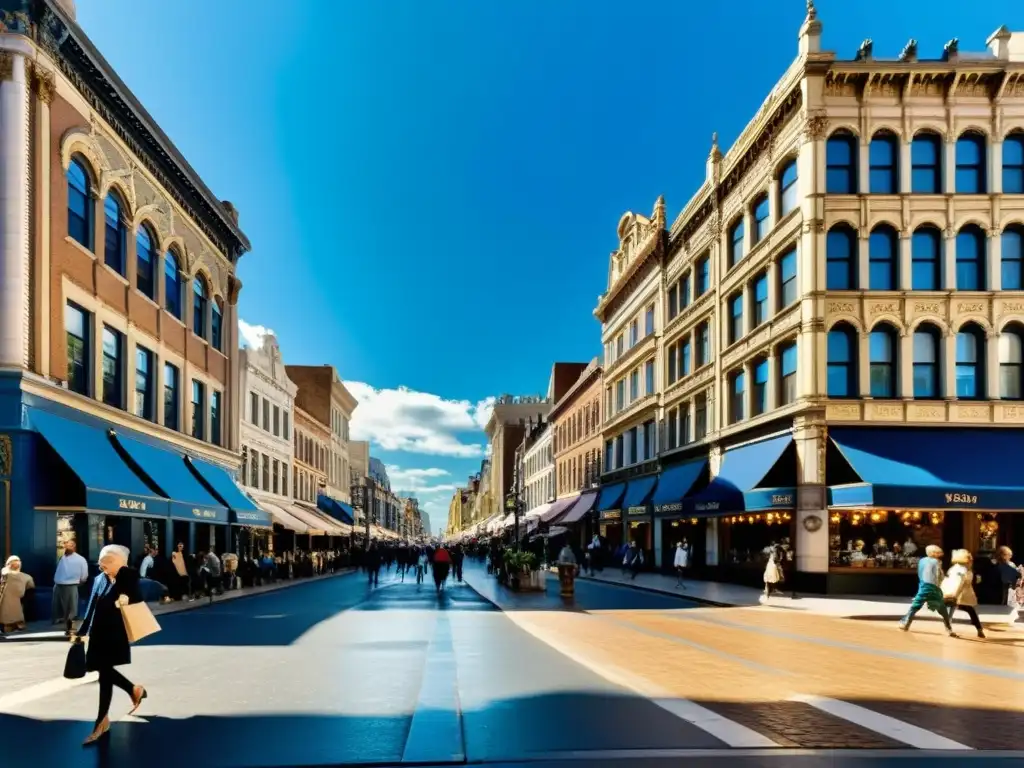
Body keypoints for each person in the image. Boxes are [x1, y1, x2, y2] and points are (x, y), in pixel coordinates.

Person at [73, 545, 147, 746]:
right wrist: (82, 631)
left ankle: (101, 721)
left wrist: (122, 581)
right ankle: (133, 690)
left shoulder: (127, 576)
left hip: (115, 634)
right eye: (101, 561)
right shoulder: (98, 579)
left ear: (119, 563)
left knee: (104, 673)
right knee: (103, 671)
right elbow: (91, 607)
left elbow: (138, 598)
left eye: (107, 561)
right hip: (98, 633)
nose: (102, 565)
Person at [899, 544, 957, 637]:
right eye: (938, 552)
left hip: (923, 585)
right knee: (942, 609)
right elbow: (938, 575)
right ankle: (949, 629)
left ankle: (906, 623)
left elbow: (920, 572)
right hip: (933, 587)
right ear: (935, 553)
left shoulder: (922, 560)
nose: (939, 554)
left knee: (915, 606)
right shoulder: (936, 562)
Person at [941, 549, 985, 639]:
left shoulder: (958, 568)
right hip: (956, 595)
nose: (971, 560)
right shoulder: (961, 570)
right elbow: (958, 583)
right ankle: (979, 629)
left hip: (958, 594)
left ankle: (978, 629)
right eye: (969, 558)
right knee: (955, 612)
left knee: (952, 612)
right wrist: (954, 595)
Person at [52, 540, 89, 635]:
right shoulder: (62, 558)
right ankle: (63, 624)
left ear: (74, 547)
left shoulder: (80, 559)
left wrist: (81, 581)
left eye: (70, 546)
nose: (68, 548)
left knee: (71, 608)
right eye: (66, 546)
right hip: (58, 585)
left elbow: (84, 574)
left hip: (71, 585)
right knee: (59, 607)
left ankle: (71, 628)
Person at [1, 556, 34, 632]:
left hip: (15, 601)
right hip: (11, 602)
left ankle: (15, 626)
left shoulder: (26, 577)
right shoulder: (26, 577)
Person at [995, 546, 1024, 627]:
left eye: (1010, 555)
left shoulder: (1010, 563)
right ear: (1002, 555)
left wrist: (1019, 570)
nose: (1010, 556)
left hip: (1010, 586)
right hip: (1005, 586)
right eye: (1008, 554)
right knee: (1005, 601)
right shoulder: (1000, 564)